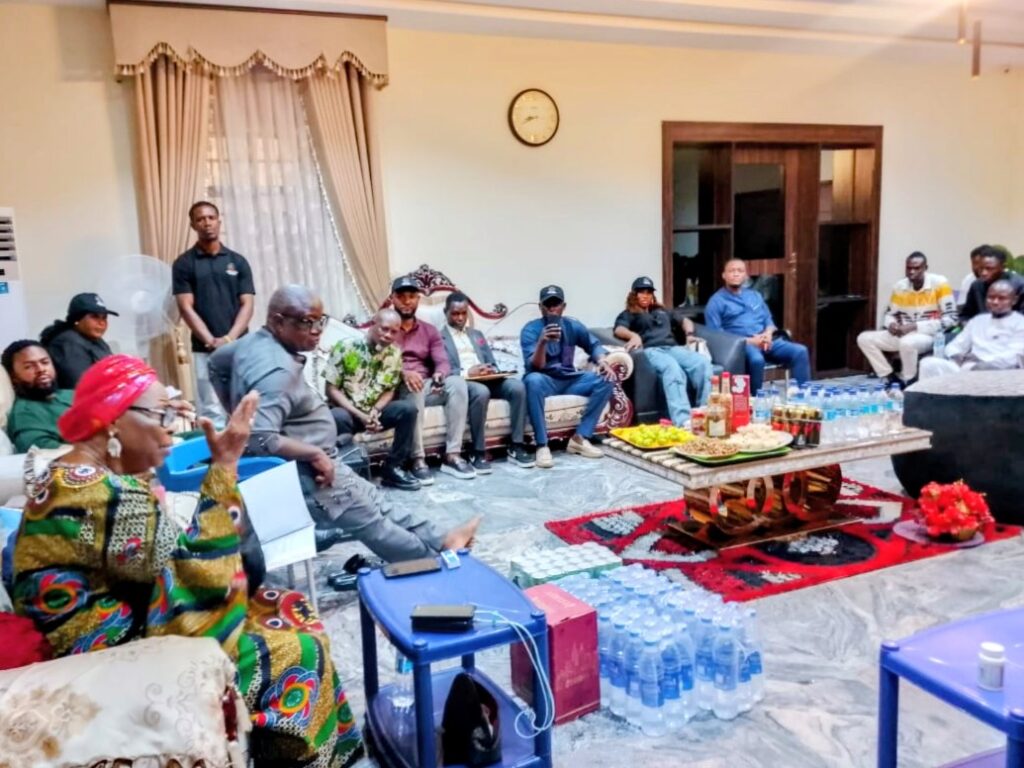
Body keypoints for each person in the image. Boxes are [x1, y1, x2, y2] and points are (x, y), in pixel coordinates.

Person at [11, 355, 364, 766]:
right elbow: (194, 571)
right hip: (101, 648)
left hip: (102, 616)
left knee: (285, 603)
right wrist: (225, 467)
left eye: (172, 413)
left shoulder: (69, 472)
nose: (170, 429)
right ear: (113, 422)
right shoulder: (105, 495)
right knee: (297, 649)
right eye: (161, 415)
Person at [208, 284, 481, 559]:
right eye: (307, 322)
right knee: (372, 523)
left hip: (320, 457)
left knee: (375, 501)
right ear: (279, 321)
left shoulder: (251, 343)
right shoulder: (277, 371)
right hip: (312, 469)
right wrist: (314, 454)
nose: (317, 330)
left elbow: (216, 364)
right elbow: (260, 437)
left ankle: (442, 539)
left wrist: (237, 412)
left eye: (320, 321)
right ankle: (432, 561)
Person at [173, 201, 255, 428]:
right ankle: (217, 451)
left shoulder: (238, 261)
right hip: (204, 349)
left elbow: (247, 304)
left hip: (239, 345)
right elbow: (185, 307)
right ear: (193, 225)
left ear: (219, 221)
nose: (207, 223)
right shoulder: (184, 264)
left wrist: (228, 339)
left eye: (211, 217)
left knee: (245, 405)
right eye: (200, 219)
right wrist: (211, 340)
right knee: (212, 410)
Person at [520, 285, 616, 469]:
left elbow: (593, 345)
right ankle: (542, 445)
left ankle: (580, 438)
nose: (552, 309)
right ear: (540, 307)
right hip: (545, 380)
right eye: (547, 305)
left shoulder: (572, 326)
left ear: (563, 307)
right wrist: (542, 342)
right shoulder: (531, 330)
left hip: (569, 379)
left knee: (607, 378)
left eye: (555, 304)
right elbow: (535, 366)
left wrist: (602, 361)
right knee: (532, 380)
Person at [390, 275, 475, 481]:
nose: (407, 301)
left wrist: (439, 374)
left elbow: (442, 361)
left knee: (457, 383)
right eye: (401, 297)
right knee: (414, 385)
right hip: (397, 388)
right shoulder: (385, 328)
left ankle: (452, 455)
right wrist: (403, 373)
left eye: (412, 296)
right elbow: (378, 363)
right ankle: (417, 458)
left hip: (425, 385)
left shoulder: (429, 330)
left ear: (418, 299)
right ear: (392, 298)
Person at [325, 309, 421, 491]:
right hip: (349, 413)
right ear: (372, 324)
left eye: (394, 332)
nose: (388, 335)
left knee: (408, 409)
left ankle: (393, 468)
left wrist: (375, 411)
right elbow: (331, 389)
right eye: (384, 329)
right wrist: (360, 415)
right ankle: (349, 474)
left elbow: (389, 390)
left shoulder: (394, 354)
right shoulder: (345, 347)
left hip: (374, 414)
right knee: (337, 416)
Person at [441, 291, 534, 471]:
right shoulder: (439, 338)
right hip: (463, 382)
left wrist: (490, 369)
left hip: (487, 378)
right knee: (481, 392)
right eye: (455, 313)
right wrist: (468, 372)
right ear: (446, 312)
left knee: (517, 387)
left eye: (463, 313)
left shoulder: (477, 334)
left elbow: (491, 361)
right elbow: (443, 369)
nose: (460, 318)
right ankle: (477, 451)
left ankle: (516, 445)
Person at [613, 276, 711, 427]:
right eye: (641, 292)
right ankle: (683, 420)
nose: (645, 295)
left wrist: (689, 335)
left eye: (648, 292)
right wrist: (633, 336)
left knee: (702, 363)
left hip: (673, 348)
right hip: (652, 350)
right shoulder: (629, 313)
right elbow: (619, 329)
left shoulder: (662, 311)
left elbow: (685, 321)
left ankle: (705, 412)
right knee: (672, 369)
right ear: (634, 295)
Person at [704, 259, 810, 393]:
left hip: (766, 341)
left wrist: (768, 334)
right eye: (732, 271)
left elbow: (768, 320)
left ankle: (804, 395)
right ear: (724, 275)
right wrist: (751, 341)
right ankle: (755, 398)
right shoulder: (716, 302)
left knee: (800, 351)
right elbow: (717, 336)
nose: (736, 274)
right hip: (742, 345)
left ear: (745, 275)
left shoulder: (755, 295)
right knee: (757, 360)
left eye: (740, 271)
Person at [856, 252, 957, 386]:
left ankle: (909, 381)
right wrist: (891, 324)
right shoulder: (900, 286)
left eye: (916, 268)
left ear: (925, 268)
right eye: (909, 268)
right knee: (864, 338)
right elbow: (890, 314)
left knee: (907, 343)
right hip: (902, 333)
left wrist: (915, 326)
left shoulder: (939, 284)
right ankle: (890, 377)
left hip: (929, 336)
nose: (911, 272)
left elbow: (951, 319)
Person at [919, 280, 1024, 379]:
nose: (995, 302)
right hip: (967, 367)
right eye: (991, 297)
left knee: (981, 369)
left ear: (1014, 300)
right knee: (928, 364)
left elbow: (1014, 357)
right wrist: (957, 355)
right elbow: (955, 345)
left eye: (1002, 298)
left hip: (999, 372)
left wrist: (982, 361)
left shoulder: (1020, 323)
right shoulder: (977, 321)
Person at [2, 340, 72, 453]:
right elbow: (45, 454)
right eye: (29, 366)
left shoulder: (73, 393)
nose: (41, 369)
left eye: (45, 362)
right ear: (13, 377)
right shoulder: (25, 415)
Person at [39, 292, 117, 389]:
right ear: (77, 319)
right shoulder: (68, 342)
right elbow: (81, 386)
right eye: (94, 316)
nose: (102, 323)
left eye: (104, 317)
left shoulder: (95, 339)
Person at [960, 245, 1024, 322]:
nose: (983, 273)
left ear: (1003, 267)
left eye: (989, 269)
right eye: (981, 268)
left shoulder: (1020, 285)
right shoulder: (976, 285)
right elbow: (965, 315)